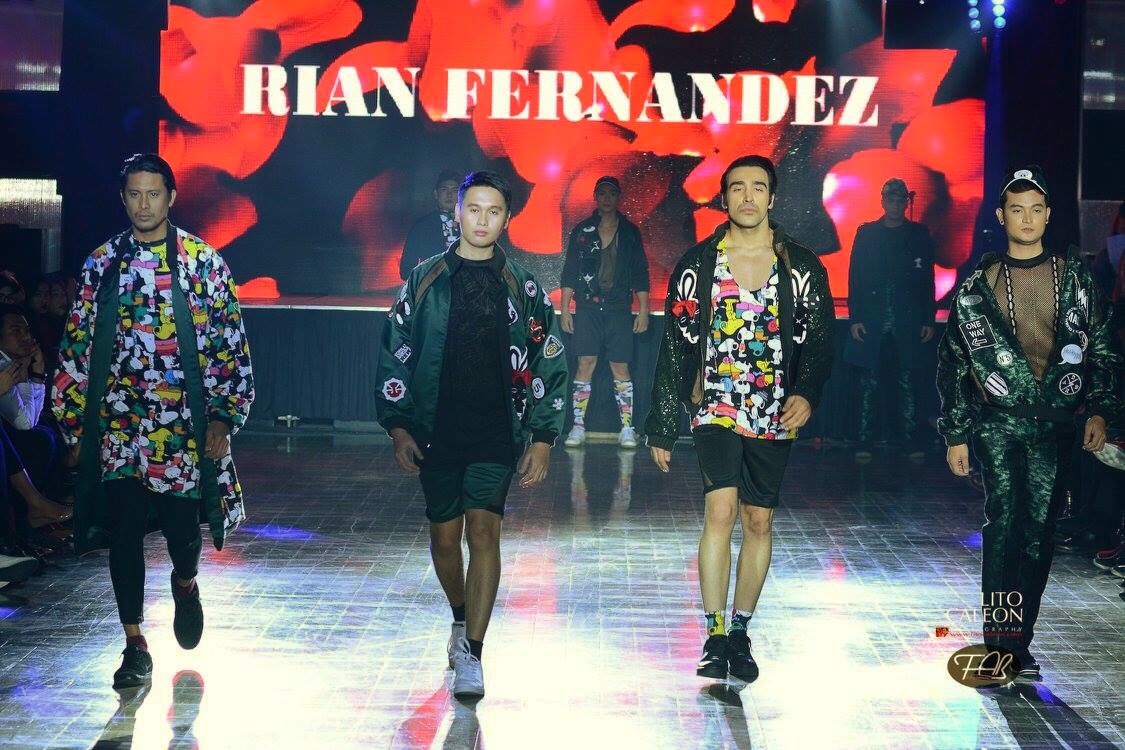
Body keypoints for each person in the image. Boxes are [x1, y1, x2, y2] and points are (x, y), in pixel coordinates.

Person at [52, 153, 255, 690]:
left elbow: (228, 341)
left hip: (181, 426)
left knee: (183, 533)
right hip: (118, 424)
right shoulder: (102, 264)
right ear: (123, 199)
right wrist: (74, 422)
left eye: (154, 194)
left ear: (171, 197)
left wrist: (223, 417)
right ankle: (134, 643)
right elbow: (77, 341)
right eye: (135, 194)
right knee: (123, 532)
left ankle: (185, 583)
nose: (144, 204)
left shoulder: (202, 263)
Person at [376, 171, 568, 698]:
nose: (483, 220)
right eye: (474, 209)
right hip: (435, 429)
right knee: (445, 539)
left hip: (495, 430)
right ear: (457, 212)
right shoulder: (424, 279)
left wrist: (543, 436)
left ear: (507, 219)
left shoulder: (524, 287)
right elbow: (395, 350)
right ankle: (460, 617)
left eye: (494, 211)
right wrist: (398, 426)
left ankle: (474, 654)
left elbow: (549, 358)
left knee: (484, 532)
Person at [646, 155, 835, 683]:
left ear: (772, 198)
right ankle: (713, 635)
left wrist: (806, 393)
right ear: (723, 197)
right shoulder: (697, 265)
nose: (747, 197)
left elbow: (821, 340)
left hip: (774, 409)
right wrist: (663, 422)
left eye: (757, 187)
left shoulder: (801, 266)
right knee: (720, 509)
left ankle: (740, 631)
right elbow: (675, 343)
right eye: (736, 188)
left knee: (758, 520)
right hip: (717, 405)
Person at [937, 165, 1121, 684]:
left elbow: (1103, 347)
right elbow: (954, 362)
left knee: (1039, 532)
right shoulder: (979, 286)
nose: (1027, 219)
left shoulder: (1076, 279)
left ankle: (1019, 642)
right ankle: (998, 643)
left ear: (1048, 215)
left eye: (1036, 210)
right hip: (999, 423)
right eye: (1017, 209)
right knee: (1004, 525)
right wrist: (955, 433)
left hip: (1056, 424)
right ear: (1001, 216)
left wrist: (1100, 409)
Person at [844, 178, 936, 460]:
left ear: (906, 202)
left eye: (900, 199)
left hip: (907, 317)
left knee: (908, 380)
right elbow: (856, 276)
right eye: (890, 199)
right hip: (873, 316)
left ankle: (911, 441)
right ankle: (864, 442)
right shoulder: (867, 233)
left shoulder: (918, 234)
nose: (895, 204)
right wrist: (855, 317)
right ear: (882, 201)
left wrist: (928, 318)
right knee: (868, 382)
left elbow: (927, 279)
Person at [559, 175, 650, 448]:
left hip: (619, 308)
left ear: (618, 197)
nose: (607, 198)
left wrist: (644, 310)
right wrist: (565, 309)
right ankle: (577, 427)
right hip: (588, 308)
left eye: (612, 193)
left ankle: (627, 428)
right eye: (602, 193)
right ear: (595, 197)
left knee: (620, 365)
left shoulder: (630, 232)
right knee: (585, 363)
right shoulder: (583, 230)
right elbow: (570, 271)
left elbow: (640, 272)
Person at [399, 170, 463, 280]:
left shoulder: (472, 225)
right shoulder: (422, 227)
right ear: (436, 194)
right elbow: (406, 270)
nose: (449, 194)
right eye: (444, 189)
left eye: (454, 190)